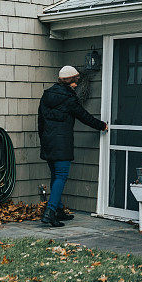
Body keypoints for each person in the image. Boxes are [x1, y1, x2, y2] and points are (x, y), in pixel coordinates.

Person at [38, 65, 107, 227]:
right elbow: (83, 116)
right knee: (61, 176)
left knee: (55, 176)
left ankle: (59, 210)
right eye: (76, 80)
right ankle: (50, 212)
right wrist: (101, 125)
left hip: (48, 141)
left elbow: (40, 121)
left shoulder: (47, 95)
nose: (77, 83)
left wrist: (44, 139)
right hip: (62, 144)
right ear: (71, 82)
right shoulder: (69, 98)